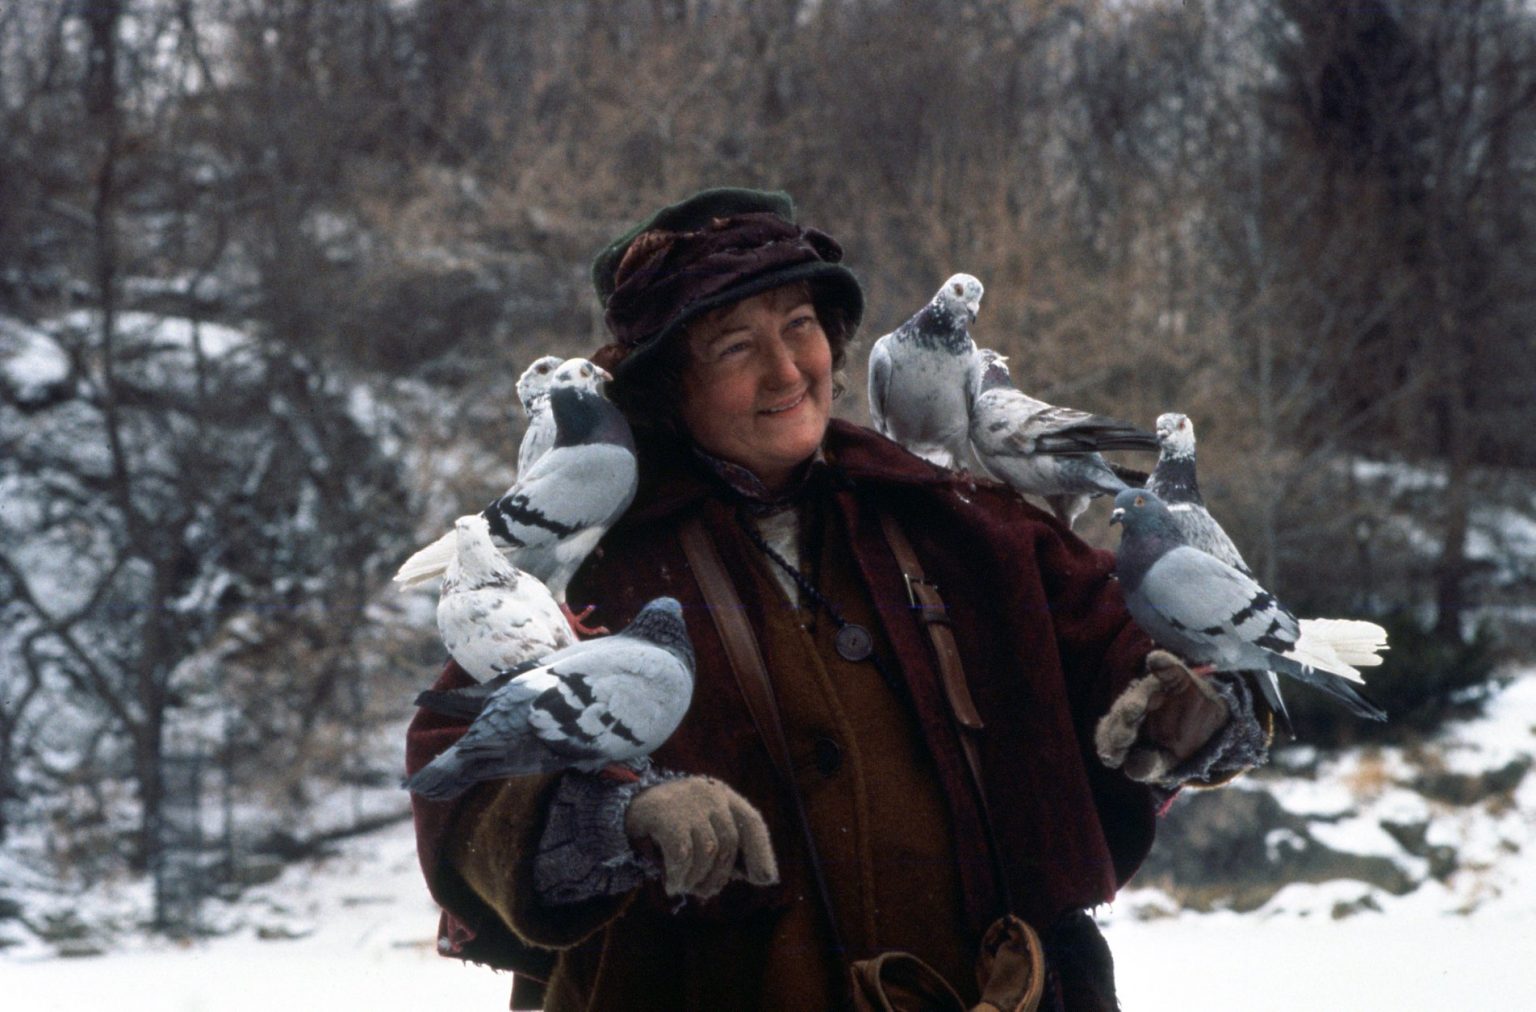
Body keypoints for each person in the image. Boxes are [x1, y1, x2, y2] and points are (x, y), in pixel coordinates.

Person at [406, 188, 1271, 1011]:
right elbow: (460, 769)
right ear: (668, 385)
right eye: (735, 346)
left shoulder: (945, 515)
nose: (786, 371)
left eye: (800, 327)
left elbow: (1115, 642)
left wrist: (1178, 704)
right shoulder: (592, 564)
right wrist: (618, 814)